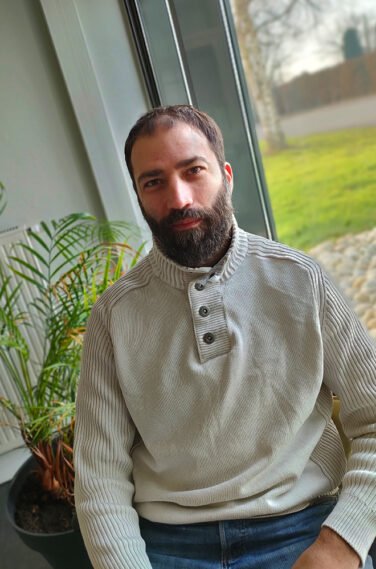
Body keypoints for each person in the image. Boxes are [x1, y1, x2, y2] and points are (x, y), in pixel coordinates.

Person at [74, 105, 376, 569]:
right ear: (138, 195)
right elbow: (99, 478)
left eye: (193, 170)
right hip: (169, 543)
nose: (178, 198)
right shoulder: (114, 315)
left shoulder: (301, 280)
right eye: (153, 181)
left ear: (226, 175)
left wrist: (344, 541)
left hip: (300, 524)